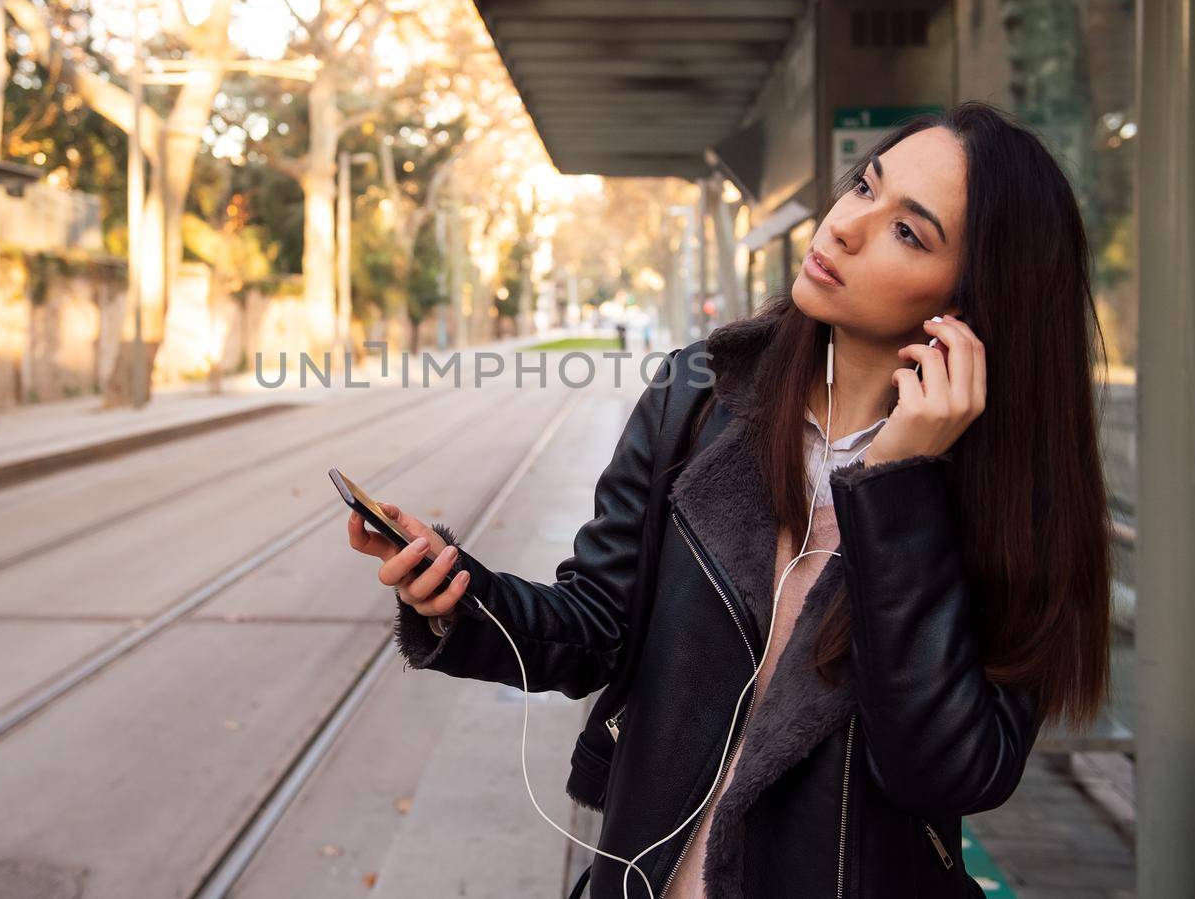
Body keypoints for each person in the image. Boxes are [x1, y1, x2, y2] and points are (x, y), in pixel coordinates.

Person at [347, 100, 1113, 899]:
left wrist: (899, 494)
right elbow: (595, 628)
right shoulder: (698, 400)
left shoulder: (1007, 502)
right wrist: (458, 595)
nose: (845, 225)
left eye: (908, 231)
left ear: (972, 303)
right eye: (863, 186)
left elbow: (949, 772)